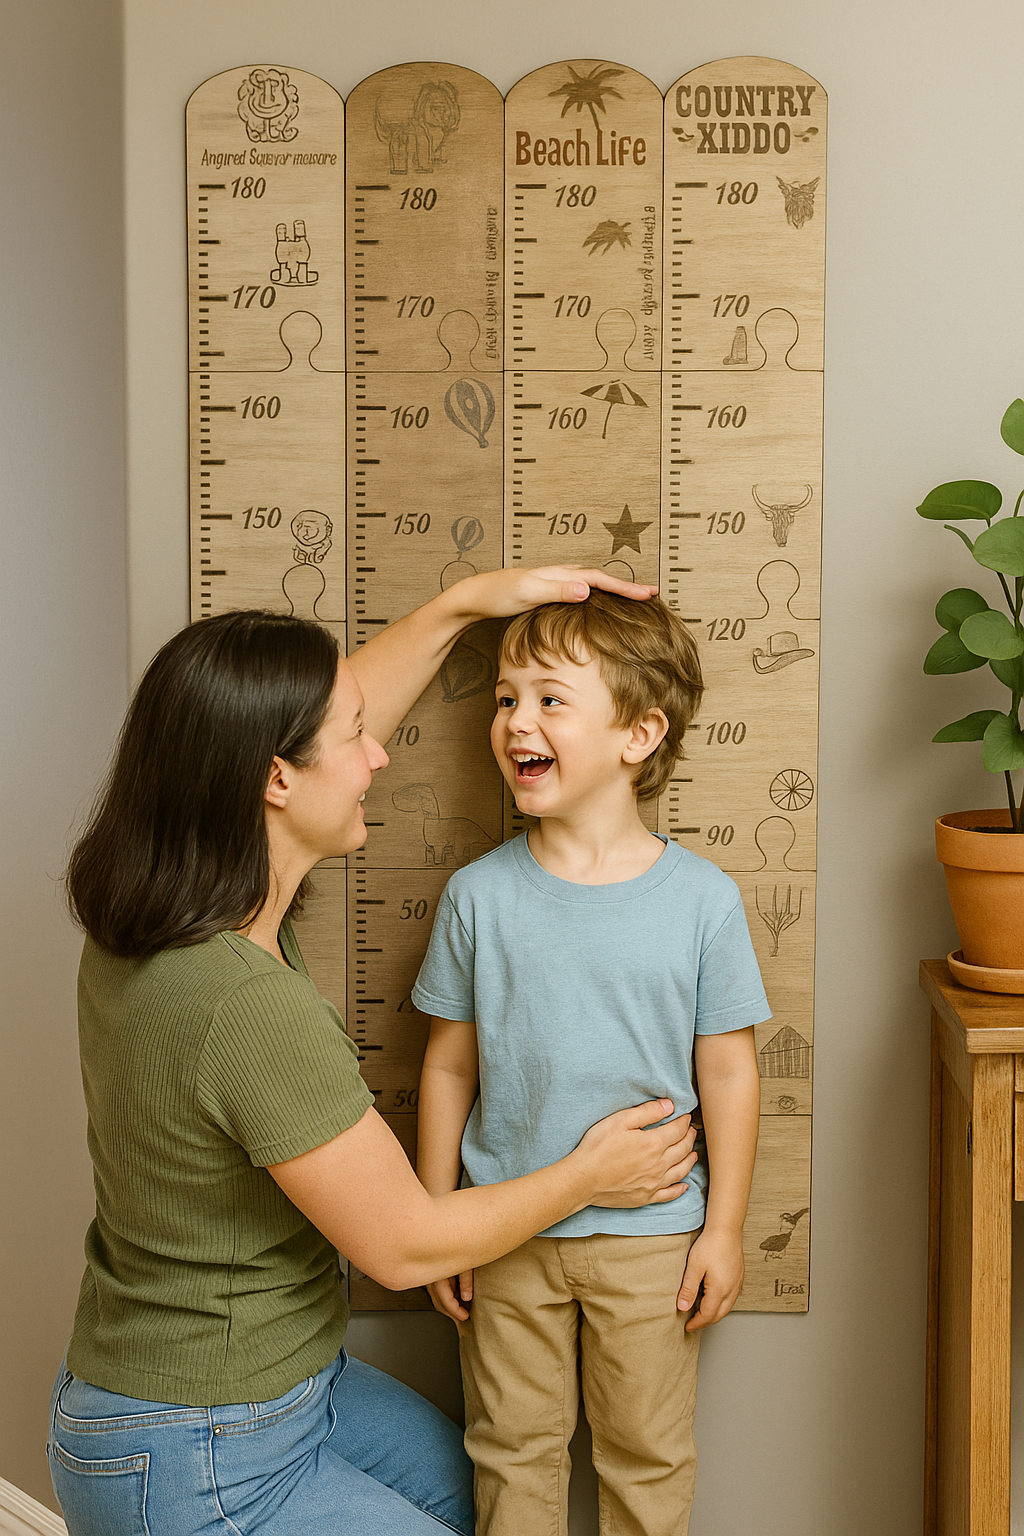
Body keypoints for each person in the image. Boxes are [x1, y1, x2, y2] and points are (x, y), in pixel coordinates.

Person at [47, 568, 701, 1536]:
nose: (378, 756)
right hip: (194, 1441)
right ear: (275, 780)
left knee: (479, 1492)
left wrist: (468, 602)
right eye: (356, 740)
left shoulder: (159, 905)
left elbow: (305, 722)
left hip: (289, 1387)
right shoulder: (242, 1003)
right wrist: (590, 1173)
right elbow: (401, 1244)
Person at [413, 591, 770, 1536]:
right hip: (503, 1236)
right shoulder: (478, 898)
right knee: (511, 1455)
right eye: (503, 700)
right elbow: (449, 1068)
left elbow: (730, 1074)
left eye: (548, 699)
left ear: (639, 733)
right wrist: (436, 1213)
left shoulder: (703, 901)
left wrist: (723, 1229)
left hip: (652, 1241)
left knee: (648, 1462)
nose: (515, 721)